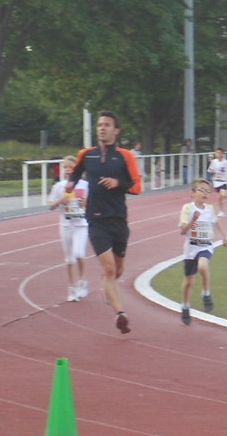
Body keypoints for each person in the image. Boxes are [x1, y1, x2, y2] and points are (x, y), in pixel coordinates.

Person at [66, 110, 142, 334]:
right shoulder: (86, 154)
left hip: (118, 219)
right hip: (96, 220)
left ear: (116, 130)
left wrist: (118, 182)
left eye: (107, 125)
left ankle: (107, 289)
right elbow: (76, 172)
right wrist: (71, 183)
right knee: (109, 269)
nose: (102, 128)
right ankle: (121, 314)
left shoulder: (125, 156)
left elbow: (137, 186)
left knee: (117, 271)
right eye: (100, 124)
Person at [178, 178, 227, 325]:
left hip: (205, 246)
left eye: (208, 191)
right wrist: (193, 221)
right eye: (202, 190)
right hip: (191, 250)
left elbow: (216, 222)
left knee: (203, 266)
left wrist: (224, 236)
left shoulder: (210, 209)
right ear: (193, 193)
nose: (206, 193)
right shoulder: (187, 208)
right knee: (189, 282)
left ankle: (206, 293)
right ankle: (185, 306)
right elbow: (182, 230)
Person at [48, 156, 89, 302]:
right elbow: (51, 206)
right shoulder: (59, 186)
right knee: (69, 259)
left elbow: (94, 204)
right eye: (65, 167)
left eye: (70, 167)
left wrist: (87, 203)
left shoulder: (85, 185)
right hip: (66, 225)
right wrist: (61, 201)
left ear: (76, 168)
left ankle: (83, 281)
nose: (67, 170)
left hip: (81, 225)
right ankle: (72, 288)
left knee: (79, 253)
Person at [207, 148, 227, 217]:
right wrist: (212, 171)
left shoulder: (226, 162)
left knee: (223, 195)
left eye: (219, 153)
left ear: (222, 154)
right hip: (216, 181)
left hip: (224, 181)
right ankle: (221, 211)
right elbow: (209, 170)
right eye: (217, 153)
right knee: (219, 197)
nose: (218, 154)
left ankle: (224, 193)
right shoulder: (213, 162)